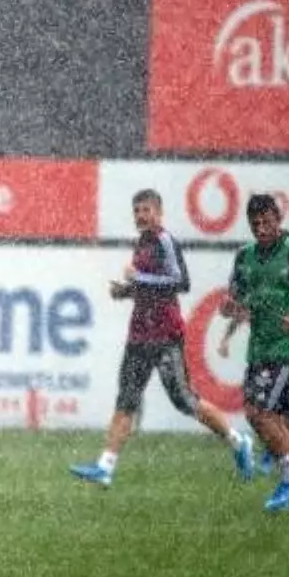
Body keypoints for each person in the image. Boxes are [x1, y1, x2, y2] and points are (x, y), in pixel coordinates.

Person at [70, 189, 255, 487]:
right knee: (126, 399)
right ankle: (105, 466)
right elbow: (151, 287)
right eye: (137, 211)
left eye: (146, 210)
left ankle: (237, 441)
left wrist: (137, 279)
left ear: (159, 212)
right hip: (139, 334)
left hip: (165, 336)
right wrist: (126, 291)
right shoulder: (142, 243)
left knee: (185, 401)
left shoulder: (165, 241)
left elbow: (181, 282)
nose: (141, 216)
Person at [216, 194, 289, 511]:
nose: (261, 228)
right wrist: (230, 307)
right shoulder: (244, 257)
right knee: (280, 421)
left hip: (287, 348)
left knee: (259, 413)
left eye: (266, 221)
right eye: (254, 223)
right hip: (259, 348)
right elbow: (236, 300)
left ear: (278, 218)